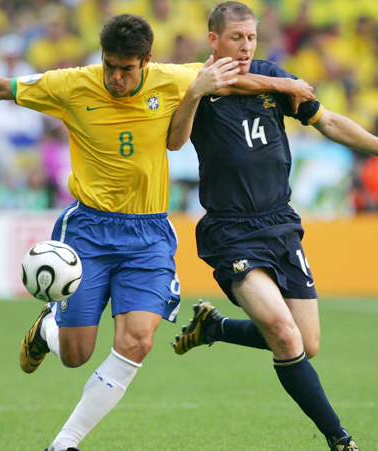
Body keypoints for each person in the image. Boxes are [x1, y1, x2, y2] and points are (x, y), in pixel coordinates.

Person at [0, 13, 316, 451]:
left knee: (138, 341)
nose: (115, 77)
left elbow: (230, 81)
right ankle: (49, 329)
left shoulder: (171, 79)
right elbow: (1, 87)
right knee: (75, 354)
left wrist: (286, 85)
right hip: (89, 230)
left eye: (126, 69)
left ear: (145, 61)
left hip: (149, 235)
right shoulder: (71, 84)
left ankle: (64, 443)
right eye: (109, 65)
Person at [168, 2, 378, 450]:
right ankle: (340, 439)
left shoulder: (269, 75)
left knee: (307, 342)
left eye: (251, 37)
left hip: (280, 224)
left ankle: (216, 328)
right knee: (284, 334)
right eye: (236, 38)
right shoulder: (194, 81)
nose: (246, 46)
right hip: (230, 230)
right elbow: (175, 140)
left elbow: (328, 121)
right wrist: (195, 95)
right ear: (213, 40)